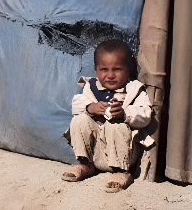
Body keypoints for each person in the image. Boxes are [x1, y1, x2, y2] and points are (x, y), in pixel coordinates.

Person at [61, 39, 154, 192]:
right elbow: (76, 105)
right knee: (79, 120)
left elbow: (145, 114)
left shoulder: (134, 89)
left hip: (123, 152)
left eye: (117, 69)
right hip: (98, 151)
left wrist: (125, 114)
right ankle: (86, 165)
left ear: (128, 69)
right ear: (96, 70)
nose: (110, 75)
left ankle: (122, 173)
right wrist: (90, 107)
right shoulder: (91, 87)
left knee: (115, 125)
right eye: (104, 69)